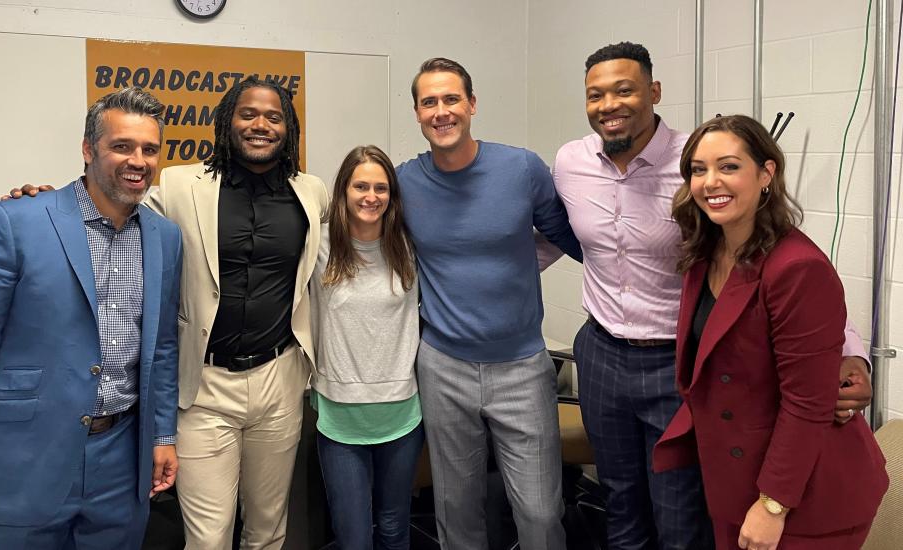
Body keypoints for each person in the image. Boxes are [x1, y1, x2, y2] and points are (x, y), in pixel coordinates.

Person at [540, 41, 874, 550]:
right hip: (602, 352)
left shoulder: (696, 158)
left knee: (681, 510)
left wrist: (850, 354)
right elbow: (549, 240)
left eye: (625, 89)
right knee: (620, 501)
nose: (610, 104)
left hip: (681, 365)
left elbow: (785, 274)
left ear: (654, 92)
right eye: (596, 94)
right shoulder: (569, 162)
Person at [8, 78, 329, 550]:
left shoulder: (312, 192)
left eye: (274, 116)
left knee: (268, 526)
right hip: (202, 386)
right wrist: (42, 202)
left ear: (289, 128)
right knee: (208, 535)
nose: (260, 125)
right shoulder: (180, 185)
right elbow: (112, 207)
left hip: (279, 379)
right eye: (248, 114)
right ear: (226, 122)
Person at [0, 87, 182, 548]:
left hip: (121, 461)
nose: (138, 160)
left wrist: (163, 434)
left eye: (149, 149)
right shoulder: (16, 221)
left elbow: (162, 345)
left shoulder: (165, 238)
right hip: (22, 462)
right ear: (89, 149)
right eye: (122, 146)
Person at [653, 114, 888, 550]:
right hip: (735, 478)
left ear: (766, 173)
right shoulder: (707, 251)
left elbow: (806, 403)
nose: (710, 182)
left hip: (805, 492)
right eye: (698, 170)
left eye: (728, 166)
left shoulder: (796, 267)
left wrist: (773, 504)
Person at [398, 57, 584, 550]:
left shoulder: (521, 167)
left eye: (451, 99)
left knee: (541, 513)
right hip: (443, 366)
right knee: (456, 510)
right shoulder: (404, 182)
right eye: (429, 102)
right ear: (417, 113)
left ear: (472, 105)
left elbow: (569, 234)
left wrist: (523, 264)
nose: (442, 111)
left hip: (522, 365)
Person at [310, 145, 423, 550]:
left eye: (381, 188)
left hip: (401, 412)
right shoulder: (317, 246)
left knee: (394, 527)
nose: (370, 196)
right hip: (340, 416)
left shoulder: (409, 246)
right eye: (360, 186)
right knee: (353, 536)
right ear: (343, 191)